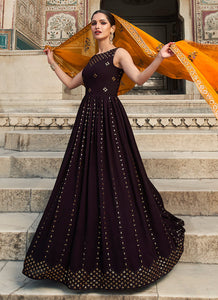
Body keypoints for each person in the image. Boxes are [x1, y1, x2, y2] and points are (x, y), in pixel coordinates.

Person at [22, 10, 185, 291]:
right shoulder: (90, 61)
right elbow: (71, 84)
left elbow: (140, 78)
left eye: (102, 23)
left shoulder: (119, 53)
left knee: (116, 176)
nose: (97, 26)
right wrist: (52, 62)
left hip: (110, 119)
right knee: (85, 178)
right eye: (94, 23)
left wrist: (159, 57)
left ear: (111, 29)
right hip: (87, 121)